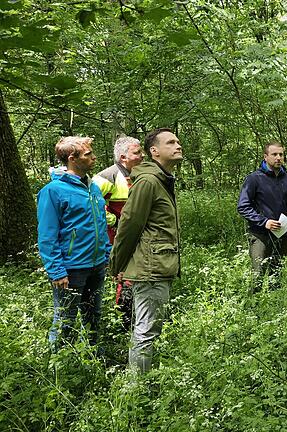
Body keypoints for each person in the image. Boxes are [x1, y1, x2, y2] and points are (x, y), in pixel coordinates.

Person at [110, 128, 182, 373]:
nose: (178, 145)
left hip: (159, 265)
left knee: (151, 328)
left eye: (178, 141)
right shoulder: (149, 181)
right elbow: (129, 225)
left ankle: (143, 380)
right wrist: (116, 265)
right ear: (155, 151)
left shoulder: (162, 180)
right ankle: (135, 390)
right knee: (146, 330)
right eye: (170, 142)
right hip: (150, 268)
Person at [37, 136, 111, 351]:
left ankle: (95, 357)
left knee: (94, 314)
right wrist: (57, 271)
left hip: (97, 265)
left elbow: (99, 224)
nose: (94, 157)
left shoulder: (93, 188)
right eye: (88, 154)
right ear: (72, 158)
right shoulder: (53, 191)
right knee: (65, 320)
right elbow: (47, 236)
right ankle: (59, 366)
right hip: (71, 269)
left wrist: (106, 254)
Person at [93, 135, 144, 332]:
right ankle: (124, 321)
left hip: (137, 234)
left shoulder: (139, 173)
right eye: (137, 152)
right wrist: (113, 221)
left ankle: (136, 315)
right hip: (115, 236)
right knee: (124, 275)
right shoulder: (107, 176)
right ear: (123, 157)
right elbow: (91, 203)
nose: (142, 156)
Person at [237, 141, 287, 291]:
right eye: (274, 154)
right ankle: (253, 308)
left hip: (282, 234)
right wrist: (264, 222)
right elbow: (243, 206)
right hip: (260, 235)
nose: (278, 158)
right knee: (258, 274)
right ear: (265, 157)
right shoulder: (254, 178)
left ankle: (275, 308)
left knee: (277, 273)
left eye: (281, 154)